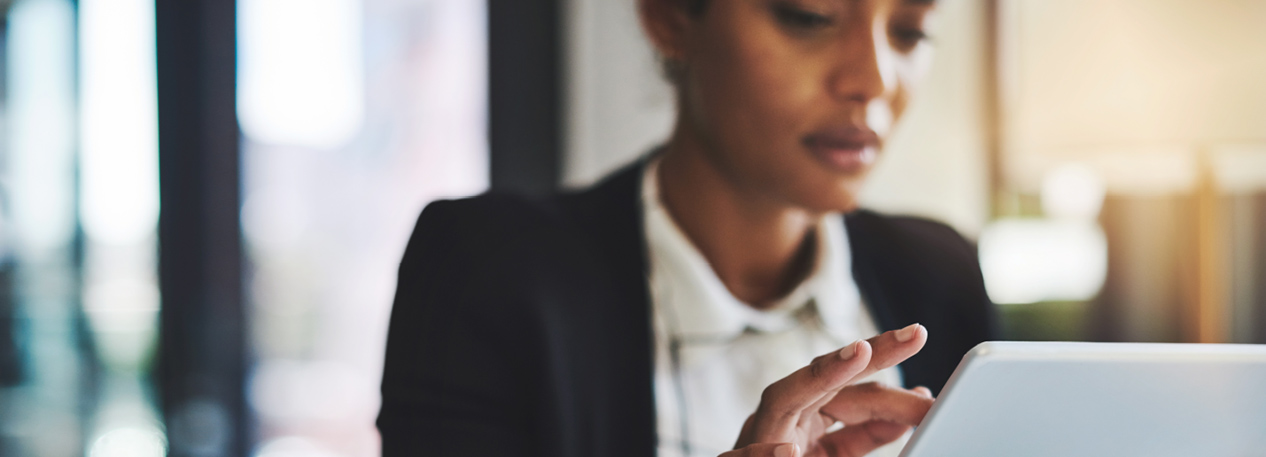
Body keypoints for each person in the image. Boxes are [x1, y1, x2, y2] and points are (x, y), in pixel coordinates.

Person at [377, 0, 997, 455]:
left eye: (911, 31)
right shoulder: (485, 267)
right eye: (810, 16)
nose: (875, 81)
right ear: (670, 17)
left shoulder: (940, 272)